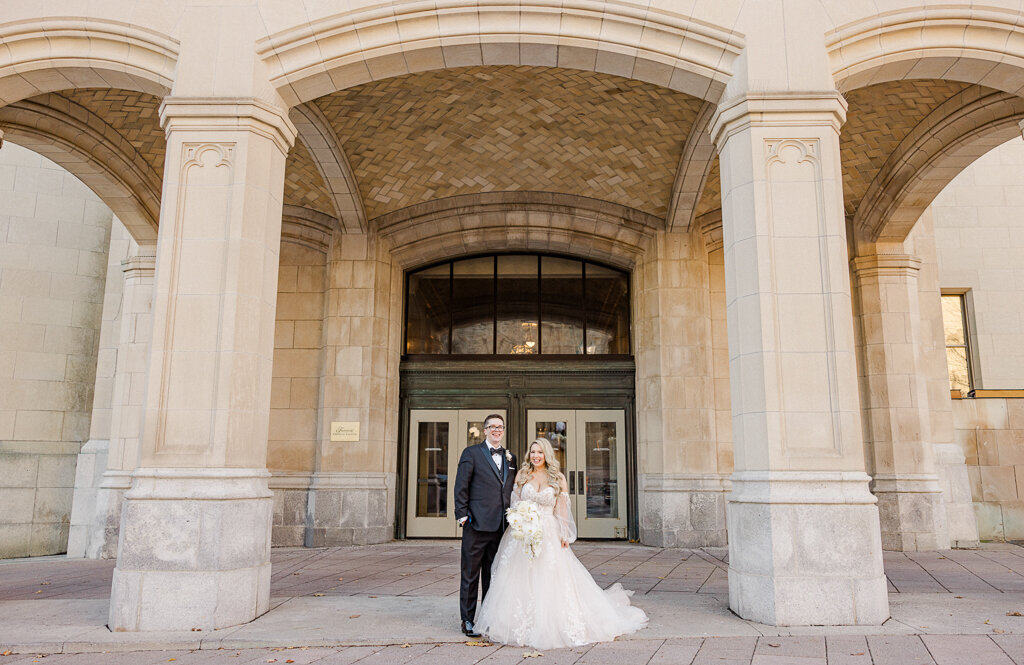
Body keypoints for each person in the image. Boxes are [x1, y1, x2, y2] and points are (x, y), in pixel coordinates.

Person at [474, 438, 648, 649]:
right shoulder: (522, 475)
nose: (536, 456)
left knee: (549, 576)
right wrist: (521, 520)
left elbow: (562, 510)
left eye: (540, 452)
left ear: (547, 454)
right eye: (533, 452)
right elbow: (515, 503)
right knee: (518, 576)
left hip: (548, 532)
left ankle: (550, 623)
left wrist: (564, 535)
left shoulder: (558, 478)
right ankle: (512, 623)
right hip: (523, 533)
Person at [453, 413, 517, 637]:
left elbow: (511, 490)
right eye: (492, 427)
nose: (497, 430)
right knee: (470, 574)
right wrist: (462, 515)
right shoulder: (472, 453)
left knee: (494, 575)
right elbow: (461, 484)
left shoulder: (511, 458)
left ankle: (489, 618)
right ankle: (467, 620)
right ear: (485, 430)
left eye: (500, 427)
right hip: (476, 524)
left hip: (501, 527)